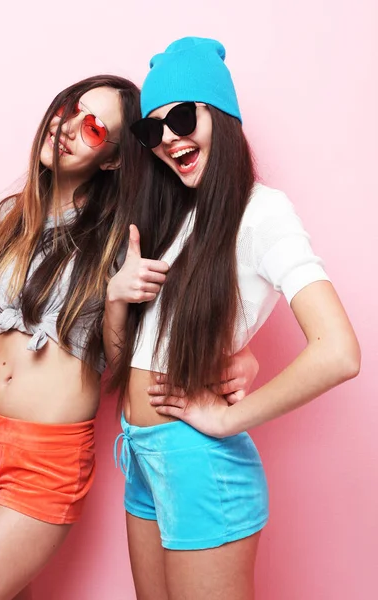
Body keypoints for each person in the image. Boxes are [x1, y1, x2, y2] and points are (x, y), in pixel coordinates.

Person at [105, 37, 361, 600]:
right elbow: (125, 362)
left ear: (220, 115)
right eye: (153, 131)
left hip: (200, 462)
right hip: (143, 457)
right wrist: (117, 298)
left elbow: (339, 351)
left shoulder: (263, 212)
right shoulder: (176, 220)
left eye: (181, 117)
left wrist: (228, 419)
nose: (169, 138)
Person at [0, 74, 144, 600]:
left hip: (47, 461)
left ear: (112, 158)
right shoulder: (1, 218)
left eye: (92, 127)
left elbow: (119, 365)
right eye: (69, 109)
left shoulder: (119, 236)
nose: (67, 127)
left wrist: (115, 298)